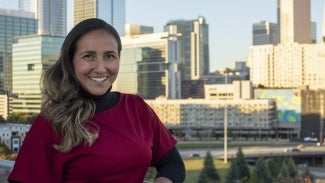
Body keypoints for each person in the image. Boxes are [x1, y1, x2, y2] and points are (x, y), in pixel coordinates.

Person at [8, 18, 185, 183]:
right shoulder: (50, 123)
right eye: (88, 56)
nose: (101, 68)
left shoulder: (137, 107)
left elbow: (173, 164)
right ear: (71, 61)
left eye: (109, 56)